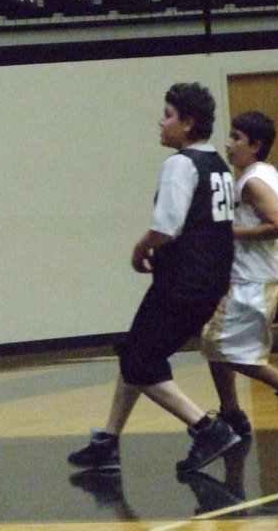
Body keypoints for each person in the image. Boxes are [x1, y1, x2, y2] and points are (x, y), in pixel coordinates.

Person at [68, 82, 241, 474]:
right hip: (204, 282)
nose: (160, 122)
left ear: (188, 123)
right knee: (136, 350)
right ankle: (108, 440)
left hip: (183, 283)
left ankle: (207, 427)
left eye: (167, 114)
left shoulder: (181, 164)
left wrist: (139, 247)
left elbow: (166, 227)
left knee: (140, 360)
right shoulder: (218, 166)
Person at [200, 111, 278, 436]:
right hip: (254, 275)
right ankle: (231, 412)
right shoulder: (264, 174)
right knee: (217, 342)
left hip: (254, 278)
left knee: (219, 346)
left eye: (236, 137)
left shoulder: (254, 181)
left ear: (255, 144)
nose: (228, 143)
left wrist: (231, 233)